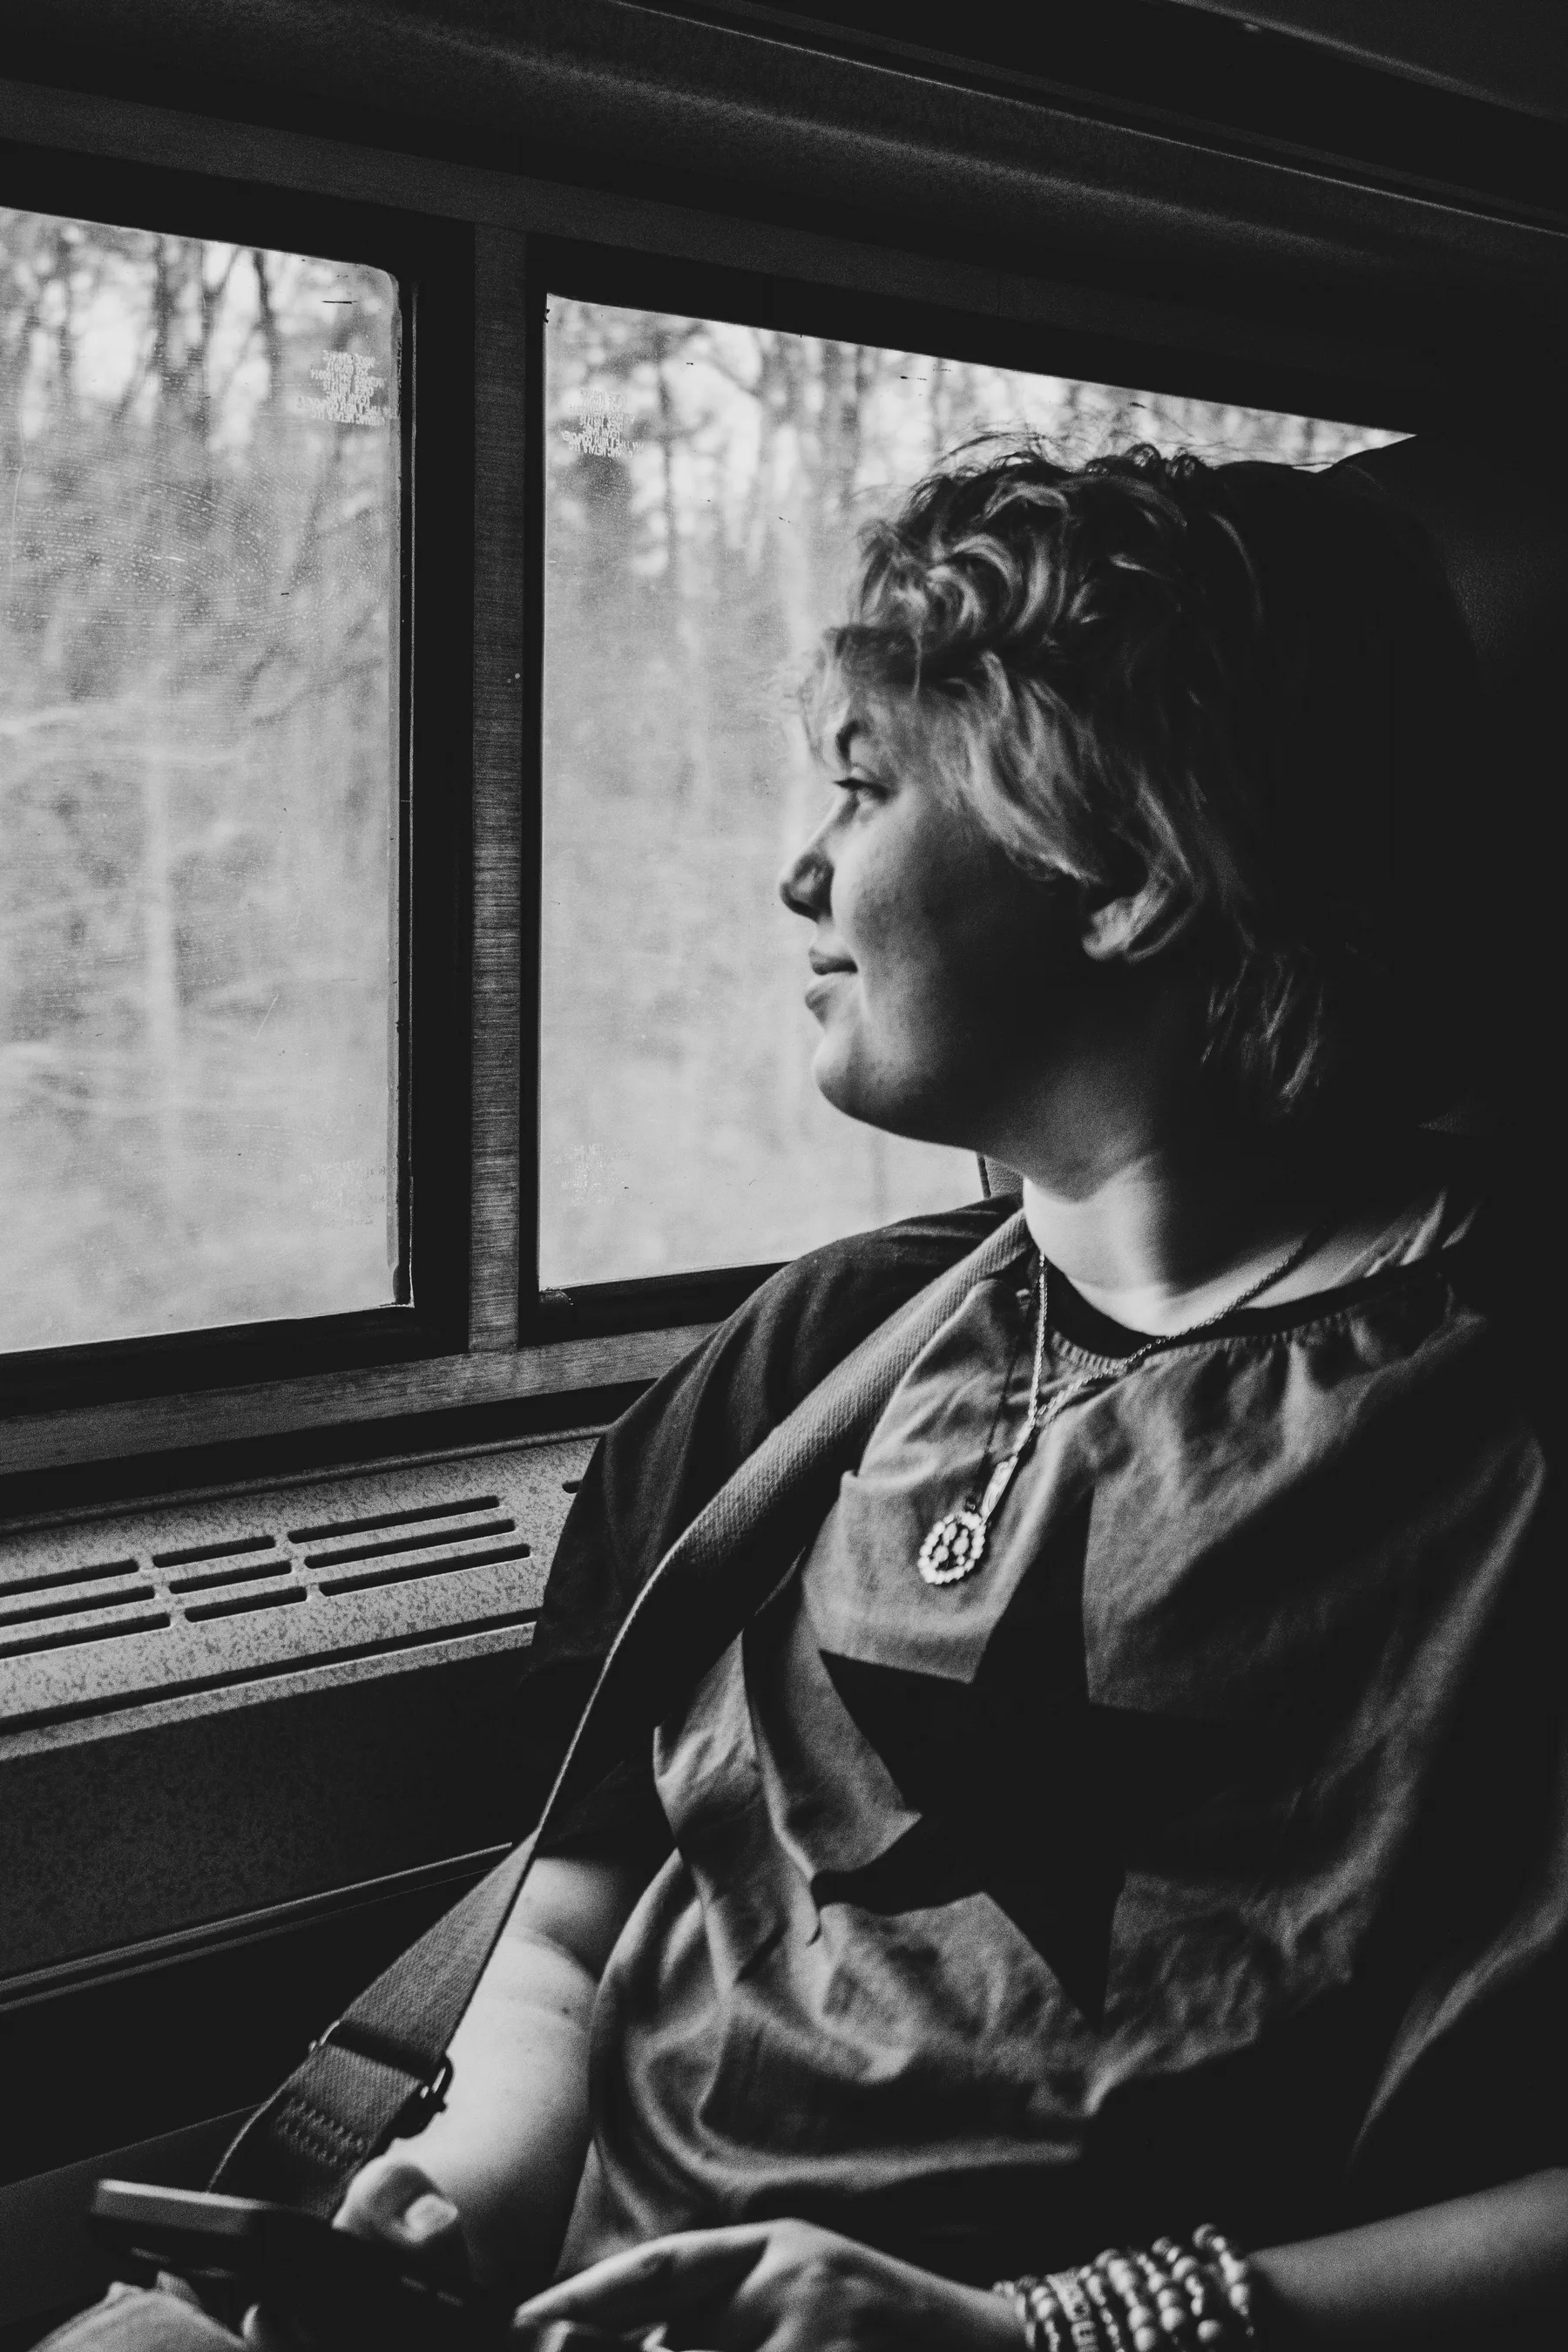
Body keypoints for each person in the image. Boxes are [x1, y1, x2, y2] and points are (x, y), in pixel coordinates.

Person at [49, 439, 1567, 2352]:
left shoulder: (1502, 1411)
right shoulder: (812, 1362)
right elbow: (576, 1898)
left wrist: (1050, 2335)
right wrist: (478, 2183)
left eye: (865, 789)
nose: (799, 873)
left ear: (1129, 875)